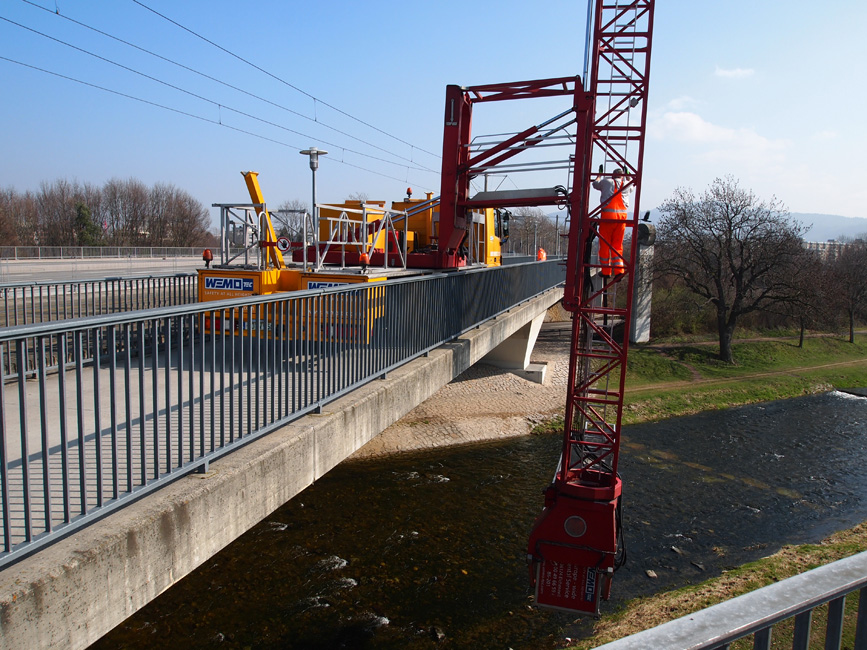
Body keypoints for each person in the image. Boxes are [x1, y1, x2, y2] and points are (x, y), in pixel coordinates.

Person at [592, 166, 634, 281]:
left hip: (608, 217)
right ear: (622, 176)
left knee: (605, 245)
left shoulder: (607, 182)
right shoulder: (627, 184)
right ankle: (619, 271)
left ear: (612, 175)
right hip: (622, 218)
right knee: (617, 245)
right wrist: (628, 175)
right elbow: (631, 183)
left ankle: (606, 271)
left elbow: (595, 184)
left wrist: (599, 175)